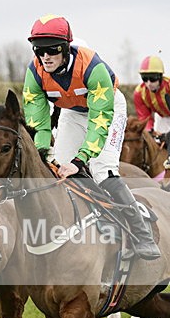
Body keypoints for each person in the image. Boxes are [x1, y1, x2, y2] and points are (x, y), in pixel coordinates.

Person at [23, 14, 160, 260]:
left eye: (52, 50)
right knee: (59, 169)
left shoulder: (92, 67)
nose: (45, 56)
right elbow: (38, 121)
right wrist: (42, 149)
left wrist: (81, 159)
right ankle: (93, 218)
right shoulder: (34, 71)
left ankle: (141, 233)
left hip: (106, 109)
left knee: (102, 169)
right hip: (72, 112)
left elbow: (99, 121)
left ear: (65, 48)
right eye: (39, 50)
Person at [133, 55, 170, 137]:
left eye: (153, 78)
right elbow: (144, 117)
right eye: (145, 78)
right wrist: (150, 130)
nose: (149, 83)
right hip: (162, 117)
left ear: (161, 76)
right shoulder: (139, 92)